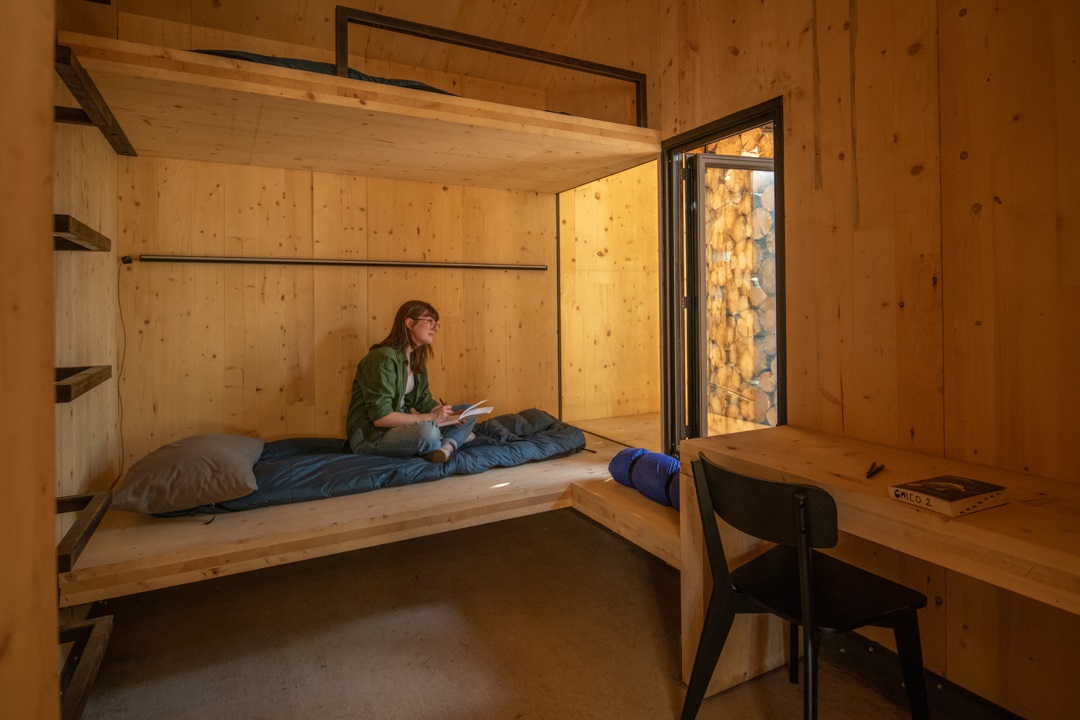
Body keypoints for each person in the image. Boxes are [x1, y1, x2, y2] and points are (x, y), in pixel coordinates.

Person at [346, 300, 476, 463]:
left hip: (399, 429)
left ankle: (443, 449)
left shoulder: (416, 359)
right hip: (371, 437)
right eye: (429, 321)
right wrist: (430, 417)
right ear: (409, 322)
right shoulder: (382, 358)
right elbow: (381, 418)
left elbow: (424, 401)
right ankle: (447, 441)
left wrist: (446, 415)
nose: (434, 327)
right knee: (428, 432)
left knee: (469, 411)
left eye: (436, 323)